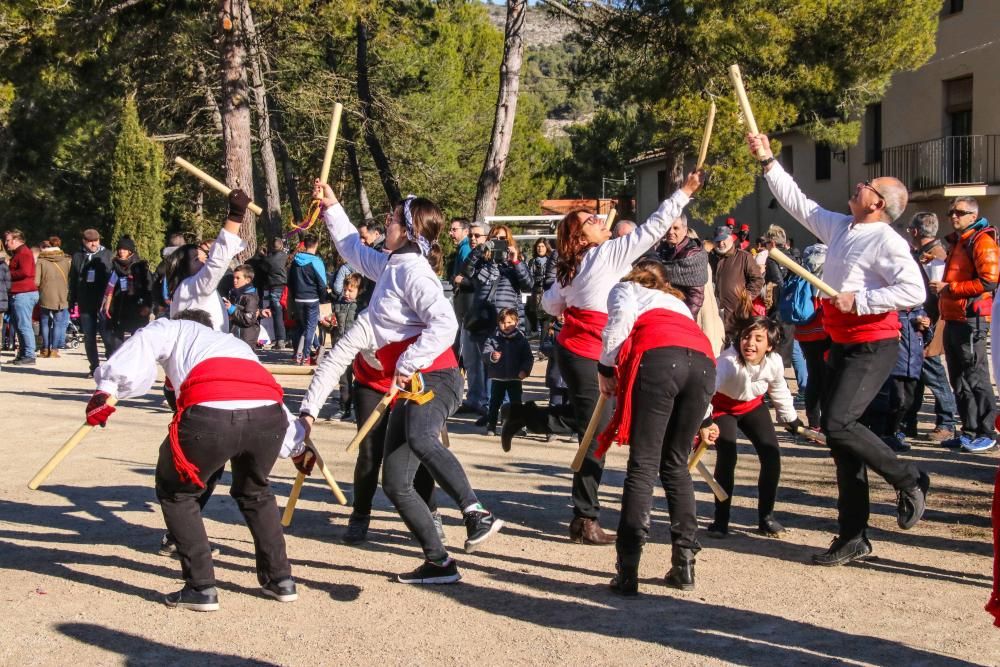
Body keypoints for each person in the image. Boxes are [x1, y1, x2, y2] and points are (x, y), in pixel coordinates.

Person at [750, 131, 929, 566]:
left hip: (874, 344)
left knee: (836, 422)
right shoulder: (844, 227)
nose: (858, 186)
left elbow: (914, 290)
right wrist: (768, 160)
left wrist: (860, 300)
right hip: (843, 343)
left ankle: (910, 478)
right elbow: (799, 203)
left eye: (867, 186)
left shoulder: (887, 240)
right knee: (842, 443)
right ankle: (853, 535)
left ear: (878, 203)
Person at [503, 169, 705, 545]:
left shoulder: (574, 266)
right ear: (581, 236)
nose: (600, 221)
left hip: (582, 349)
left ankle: (527, 416)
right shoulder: (608, 254)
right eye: (591, 221)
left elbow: (548, 305)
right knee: (595, 433)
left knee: (595, 425)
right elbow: (653, 227)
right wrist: (684, 192)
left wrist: (569, 294)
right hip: (586, 353)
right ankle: (584, 517)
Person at [316, 180, 504, 584]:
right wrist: (332, 206)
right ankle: (439, 562)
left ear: (410, 230)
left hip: (438, 375)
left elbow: (445, 324)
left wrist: (407, 361)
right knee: (396, 482)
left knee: (421, 437)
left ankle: (476, 512)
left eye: (393, 218)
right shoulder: (390, 264)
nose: (386, 220)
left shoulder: (415, 272)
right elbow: (351, 247)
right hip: (411, 384)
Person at [86, 309, 302, 611]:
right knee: (256, 491)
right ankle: (280, 579)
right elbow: (262, 389)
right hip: (268, 414)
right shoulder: (232, 344)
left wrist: (105, 389)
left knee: (177, 492)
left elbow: (144, 341)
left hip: (213, 410)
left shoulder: (173, 328)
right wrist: (298, 445)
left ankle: (201, 586)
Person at [595, 259, 718, 596]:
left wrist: (605, 367)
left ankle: (628, 568)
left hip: (660, 358)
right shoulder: (676, 302)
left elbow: (619, 325)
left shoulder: (626, 289)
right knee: (676, 464)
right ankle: (684, 564)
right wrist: (706, 415)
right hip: (703, 364)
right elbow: (691, 343)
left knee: (644, 464)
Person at [299, 309, 441, 544]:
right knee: (369, 451)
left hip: (410, 382)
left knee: (418, 444)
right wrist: (309, 412)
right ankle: (360, 515)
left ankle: (431, 513)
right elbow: (333, 364)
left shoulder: (422, 314)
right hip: (372, 383)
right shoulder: (366, 322)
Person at [708, 316, 800, 538]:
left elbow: (778, 389)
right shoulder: (727, 363)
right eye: (746, 337)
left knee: (772, 455)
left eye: (758, 339)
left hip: (752, 406)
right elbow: (705, 393)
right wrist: (703, 422)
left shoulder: (775, 361)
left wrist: (790, 418)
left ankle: (766, 518)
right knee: (727, 457)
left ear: (769, 345)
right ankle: (721, 521)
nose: (750, 343)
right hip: (722, 408)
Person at [932, 196, 998, 452]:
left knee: (975, 375)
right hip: (954, 317)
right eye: (951, 212)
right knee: (959, 378)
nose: (953, 216)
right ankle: (969, 430)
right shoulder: (961, 241)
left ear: (973, 215)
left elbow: (989, 281)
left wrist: (951, 288)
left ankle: (987, 431)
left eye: (959, 212)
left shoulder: (982, 240)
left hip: (972, 319)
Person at [462, 224, 533, 423]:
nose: (498, 243)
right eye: (495, 238)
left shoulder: (515, 262)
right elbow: (466, 273)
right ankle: (490, 410)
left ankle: (509, 412)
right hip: (484, 321)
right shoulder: (482, 262)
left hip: (506, 323)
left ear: (509, 241)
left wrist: (516, 261)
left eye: (502, 239)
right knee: (488, 365)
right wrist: (478, 251)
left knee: (508, 367)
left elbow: (528, 284)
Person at [902, 212, 957, 443]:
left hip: (927, 324)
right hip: (922, 322)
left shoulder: (935, 256)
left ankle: (946, 424)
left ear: (915, 231)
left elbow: (935, 296)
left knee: (934, 375)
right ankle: (908, 423)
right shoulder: (927, 254)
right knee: (915, 375)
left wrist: (927, 323)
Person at [166, 190, 250, 331]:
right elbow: (218, 261)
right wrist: (236, 214)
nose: (205, 261)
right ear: (184, 266)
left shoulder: (182, 289)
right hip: (206, 350)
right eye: (198, 258)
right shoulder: (193, 286)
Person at [791, 244, 830, 430]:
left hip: (804, 333)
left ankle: (814, 422)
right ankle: (825, 422)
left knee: (814, 377)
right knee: (828, 378)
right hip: (824, 332)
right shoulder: (827, 275)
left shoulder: (801, 271)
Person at [69, 228, 114, 375]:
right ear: (84, 241)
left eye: (96, 241)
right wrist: (72, 300)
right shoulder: (77, 256)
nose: (94, 244)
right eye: (90, 242)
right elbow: (73, 280)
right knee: (89, 335)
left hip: (103, 302)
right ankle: (94, 366)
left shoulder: (108, 255)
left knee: (106, 334)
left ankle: (110, 364)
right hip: (85, 302)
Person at [483, 307, 533, 437]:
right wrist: (491, 356)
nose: (506, 325)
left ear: (516, 322)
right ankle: (491, 425)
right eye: (503, 322)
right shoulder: (493, 338)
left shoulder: (521, 339)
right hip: (498, 378)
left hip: (515, 378)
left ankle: (517, 427)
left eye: (510, 322)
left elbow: (528, 357)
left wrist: (524, 371)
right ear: (498, 323)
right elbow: (485, 353)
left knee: (516, 403)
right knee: (494, 403)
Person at [101, 236, 153, 357]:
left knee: (137, 340)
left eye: (124, 249)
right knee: (115, 342)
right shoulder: (114, 267)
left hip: (137, 308)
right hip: (118, 308)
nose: (121, 252)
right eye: (120, 249)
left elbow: (149, 287)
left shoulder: (140, 266)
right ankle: (116, 363)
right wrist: (107, 304)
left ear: (130, 251)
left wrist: (148, 306)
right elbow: (110, 288)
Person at [709, 223, 764, 335]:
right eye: (718, 240)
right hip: (713, 316)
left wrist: (745, 298)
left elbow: (757, 280)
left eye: (724, 239)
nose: (721, 243)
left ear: (731, 239)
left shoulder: (744, 257)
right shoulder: (710, 257)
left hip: (737, 317)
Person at [457, 222, 488, 413]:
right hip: (467, 315)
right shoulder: (471, 255)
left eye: (478, 236)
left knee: (484, 360)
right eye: (471, 236)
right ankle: (474, 399)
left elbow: (481, 282)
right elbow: (464, 273)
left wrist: (464, 281)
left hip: (484, 316)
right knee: (470, 360)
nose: (473, 239)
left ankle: (486, 401)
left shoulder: (489, 257)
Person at [287, 233, 328, 365]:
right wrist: (323, 299)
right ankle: (304, 355)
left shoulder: (295, 261)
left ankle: (316, 349)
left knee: (306, 326)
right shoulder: (317, 261)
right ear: (316, 244)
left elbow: (290, 282)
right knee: (311, 327)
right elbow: (322, 284)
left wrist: (294, 297)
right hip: (312, 299)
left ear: (304, 244)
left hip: (298, 299)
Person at [657, 214, 707, 317]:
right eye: (668, 227)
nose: (670, 232)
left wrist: (685, 318)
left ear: (685, 230)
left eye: (676, 228)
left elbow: (696, 297)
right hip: (661, 311)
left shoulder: (692, 255)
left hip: (681, 314)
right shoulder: (662, 249)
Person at [3, 229, 39, 365]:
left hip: (24, 293)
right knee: (18, 325)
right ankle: (23, 353)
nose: (6, 243)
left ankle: (29, 355)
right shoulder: (18, 253)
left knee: (23, 325)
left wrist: (7, 273)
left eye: (8, 240)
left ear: (16, 240)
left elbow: (24, 272)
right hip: (19, 293)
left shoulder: (23, 253)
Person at [330, 273, 362, 420]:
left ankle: (358, 408)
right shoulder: (338, 304)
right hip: (340, 347)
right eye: (345, 290)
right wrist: (328, 324)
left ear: (359, 291)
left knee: (359, 379)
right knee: (344, 380)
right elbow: (332, 326)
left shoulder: (361, 307)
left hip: (357, 350)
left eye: (351, 290)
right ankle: (344, 408)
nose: (347, 293)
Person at [35, 236, 72, 358]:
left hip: (45, 293)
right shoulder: (65, 259)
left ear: (49, 245)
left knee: (45, 322)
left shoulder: (41, 260)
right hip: (61, 294)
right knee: (58, 322)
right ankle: (55, 350)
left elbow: (36, 281)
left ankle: (45, 349)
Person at [262, 238, 290, 349]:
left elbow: (264, 270)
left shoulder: (268, 260)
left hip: (274, 287)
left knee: (277, 315)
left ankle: (280, 340)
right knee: (288, 313)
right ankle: (291, 338)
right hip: (286, 287)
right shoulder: (287, 257)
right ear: (282, 246)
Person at [224, 264, 260, 348]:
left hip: (246, 339)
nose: (234, 281)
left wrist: (231, 309)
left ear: (247, 280)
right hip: (237, 337)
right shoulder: (235, 294)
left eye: (238, 278)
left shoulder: (250, 297)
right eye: (234, 278)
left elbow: (248, 319)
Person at [152, 233, 187, 319]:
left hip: (165, 307)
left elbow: (154, 286)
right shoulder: (189, 263)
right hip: (182, 307)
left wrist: (158, 304)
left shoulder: (163, 265)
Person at [525, 239, 554, 337]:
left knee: (546, 319)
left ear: (546, 247)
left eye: (542, 246)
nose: (540, 249)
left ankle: (544, 342)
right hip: (535, 293)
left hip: (548, 292)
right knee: (534, 316)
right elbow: (529, 276)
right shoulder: (532, 261)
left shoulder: (551, 260)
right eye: (538, 246)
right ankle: (534, 333)